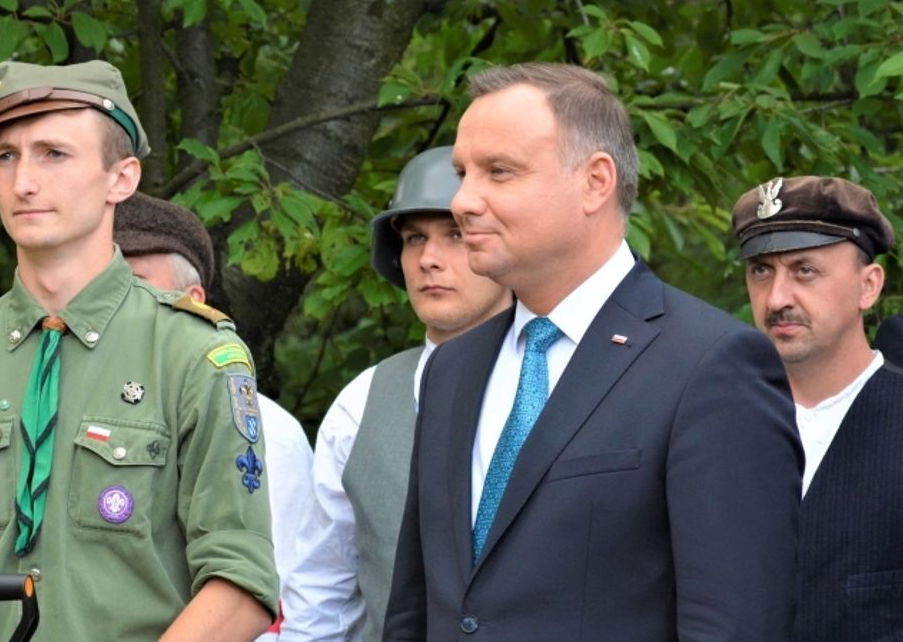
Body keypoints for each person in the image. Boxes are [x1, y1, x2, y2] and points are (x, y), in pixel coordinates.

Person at [0, 60, 277, 641]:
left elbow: (241, 580)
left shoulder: (193, 356)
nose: (23, 183)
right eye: (6, 157)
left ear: (122, 178)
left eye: (53, 154)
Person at [385, 62, 803, 640]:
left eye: (498, 172)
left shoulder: (709, 366)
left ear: (595, 182)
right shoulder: (451, 369)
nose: (463, 200)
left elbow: (734, 625)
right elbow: (415, 608)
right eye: (463, 173)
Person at [281, 146, 512, 641]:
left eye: (454, 234)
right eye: (413, 239)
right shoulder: (361, 402)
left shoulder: (565, 381)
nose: (428, 259)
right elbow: (321, 598)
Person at [112, 191, 314, 639]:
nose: (113, 304)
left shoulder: (268, 432)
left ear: (194, 300)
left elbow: (288, 610)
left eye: (135, 282)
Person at [733, 175, 903, 641]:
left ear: (868, 286)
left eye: (804, 269)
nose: (777, 298)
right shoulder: (713, 422)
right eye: (761, 271)